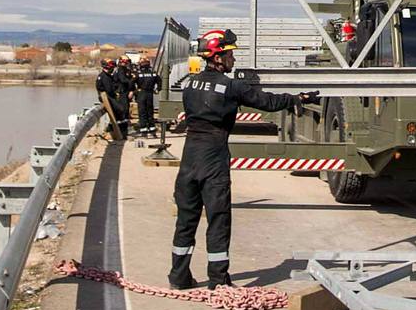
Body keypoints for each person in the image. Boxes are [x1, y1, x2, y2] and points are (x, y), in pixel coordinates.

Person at [169, 29, 318, 289]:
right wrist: (298, 98)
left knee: (186, 220)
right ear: (217, 57)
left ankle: (178, 277)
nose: (233, 60)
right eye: (230, 55)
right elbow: (268, 102)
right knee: (218, 219)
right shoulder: (231, 87)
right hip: (213, 157)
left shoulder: (189, 83)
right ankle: (218, 281)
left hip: (189, 157)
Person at [134, 58, 159, 135]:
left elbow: (131, 83)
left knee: (142, 111)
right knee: (150, 111)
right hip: (150, 93)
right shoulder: (153, 73)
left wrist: (135, 91)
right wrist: (157, 89)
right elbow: (160, 81)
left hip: (141, 93)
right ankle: (152, 128)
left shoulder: (138, 73)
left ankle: (143, 129)